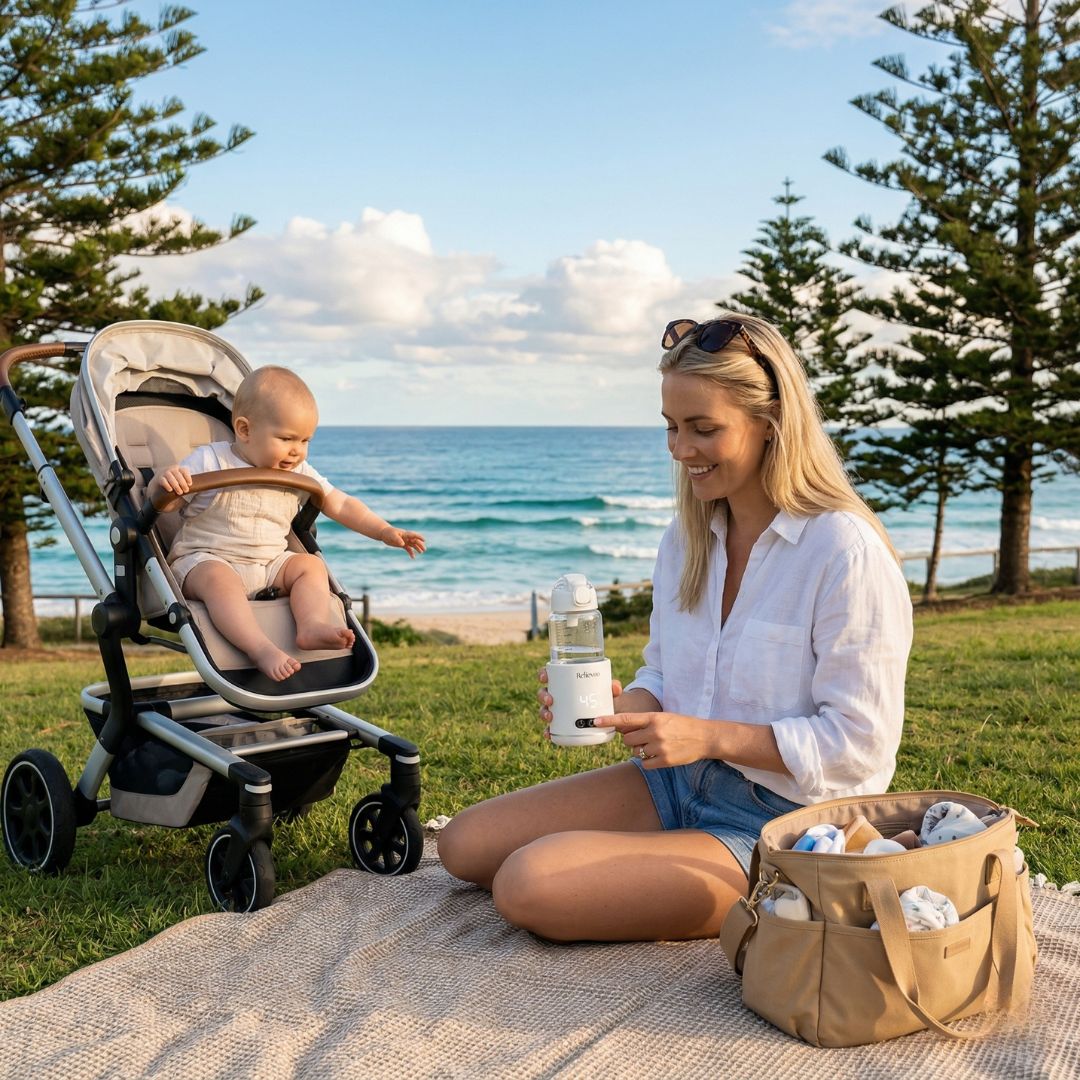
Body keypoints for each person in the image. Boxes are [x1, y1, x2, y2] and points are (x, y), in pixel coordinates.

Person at [438, 313, 913, 943]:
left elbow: (861, 746)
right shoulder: (688, 540)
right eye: (670, 426)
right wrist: (620, 707)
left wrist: (708, 737)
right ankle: (674, 863)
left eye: (703, 429)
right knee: (462, 845)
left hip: (787, 823)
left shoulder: (842, 551)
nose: (679, 450)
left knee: (528, 884)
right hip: (677, 784)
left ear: (770, 426)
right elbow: (663, 673)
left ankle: (845, 863)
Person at [148, 365, 426, 681]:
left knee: (310, 566)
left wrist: (385, 531)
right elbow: (166, 503)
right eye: (286, 438)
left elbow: (341, 502)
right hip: (206, 561)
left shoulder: (299, 472)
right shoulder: (211, 460)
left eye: (306, 440)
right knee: (219, 580)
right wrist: (165, 482)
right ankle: (259, 648)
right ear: (244, 430)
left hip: (269, 566)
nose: (297, 451)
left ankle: (311, 626)